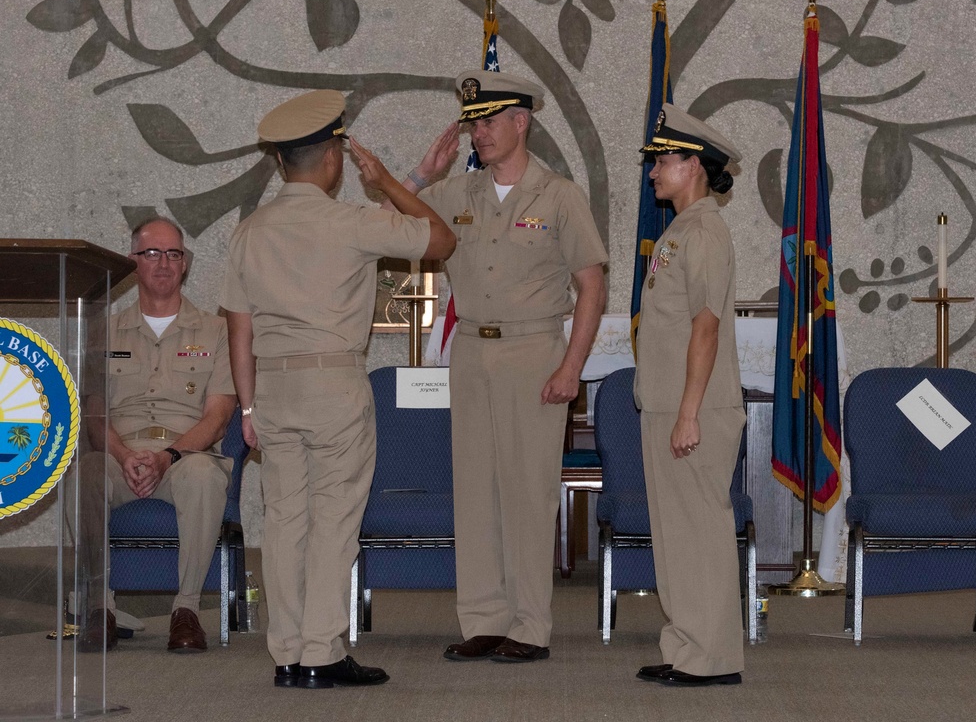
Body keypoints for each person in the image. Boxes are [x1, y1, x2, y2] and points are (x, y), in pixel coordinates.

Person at [221, 89, 456, 689]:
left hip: (271, 389)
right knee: (333, 521)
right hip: (333, 387)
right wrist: (391, 184)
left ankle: (287, 655)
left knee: (284, 523)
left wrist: (247, 407)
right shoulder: (351, 221)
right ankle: (322, 653)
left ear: (279, 162)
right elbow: (440, 241)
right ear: (333, 159)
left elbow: (239, 328)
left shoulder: (249, 231)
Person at [399, 71, 608, 663]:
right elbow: (398, 218)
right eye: (472, 122)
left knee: (527, 489)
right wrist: (425, 173)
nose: (478, 132)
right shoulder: (459, 193)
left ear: (522, 122)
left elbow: (591, 286)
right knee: (475, 488)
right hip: (470, 351)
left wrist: (572, 367)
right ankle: (484, 618)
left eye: (489, 120)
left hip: (532, 351)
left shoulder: (559, 195)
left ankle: (529, 625)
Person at [75, 216, 237, 653]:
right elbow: (93, 415)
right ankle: (99, 609)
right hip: (118, 454)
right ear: (132, 262)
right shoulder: (101, 331)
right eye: (151, 253)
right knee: (84, 472)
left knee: (204, 476)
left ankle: (185, 611)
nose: (163, 263)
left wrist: (167, 455)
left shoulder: (217, 331)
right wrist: (123, 453)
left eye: (174, 254)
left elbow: (218, 417)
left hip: (185, 458)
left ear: (185, 264)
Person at [632, 103, 746, 687]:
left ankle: (712, 658)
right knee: (675, 533)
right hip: (667, 405)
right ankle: (685, 646)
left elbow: (705, 326)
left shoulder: (704, 231)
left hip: (693, 409)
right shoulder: (679, 229)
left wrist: (688, 413)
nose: (653, 171)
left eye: (662, 159)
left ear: (694, 165)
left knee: (699, 530)